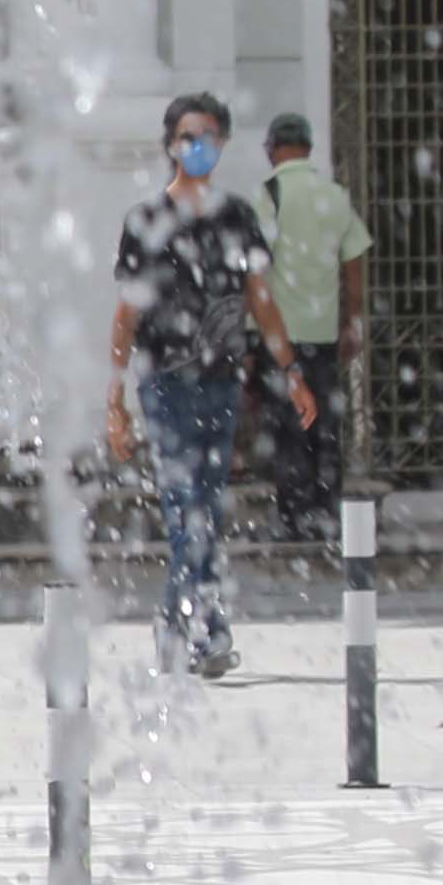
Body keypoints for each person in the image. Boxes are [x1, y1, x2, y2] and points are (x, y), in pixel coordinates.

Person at [108, 92, 314, 678]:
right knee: (184, 511)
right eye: (187, 136)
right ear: (171, 144)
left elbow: (261, 301)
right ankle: (208, 631)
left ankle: (175, 625)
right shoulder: (145, 222)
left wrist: (291, 370)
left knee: (205, 510)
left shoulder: (238, 217)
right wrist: (114, 399)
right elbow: (125, 314)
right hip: (164, 384)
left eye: (209, 137)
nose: (198, 147)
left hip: (222, 384)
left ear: (221, 144)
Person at [251, 109, 370, 543]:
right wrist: (352, 321)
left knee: (287, 427)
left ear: (271, 149)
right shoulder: (335, 196)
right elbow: (354, 261)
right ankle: (327, 513)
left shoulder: (270, 196)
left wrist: (252, 331)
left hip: (282, 337)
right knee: (326, 427)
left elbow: (255, 271)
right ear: (308, 147)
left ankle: (292, 516)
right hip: (324, 334)